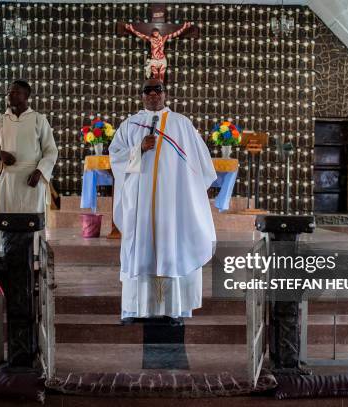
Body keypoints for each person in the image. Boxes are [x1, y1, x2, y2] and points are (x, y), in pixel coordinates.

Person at [109, 79, 217, 324]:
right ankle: (135, 309)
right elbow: (115, 157)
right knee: (140, 249)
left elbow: (202, 167)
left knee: (171, 249)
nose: (153, 94)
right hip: (139, 204)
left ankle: (173, 309)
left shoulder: (182, 124)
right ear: (142, 95)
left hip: (172, 205)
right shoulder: (130, 125)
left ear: (165, 94)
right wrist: (138, 149)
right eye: (148, 90)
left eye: (158, 90)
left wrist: (189, 193)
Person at [0, 79, 58, 251]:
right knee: (7, 218)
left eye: (15, 92)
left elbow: (51, 151)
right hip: (9, 179)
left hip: (32, 179)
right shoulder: (1, 121)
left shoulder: (39, 119)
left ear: (26, 96)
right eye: (9, 92)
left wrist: (40, 171)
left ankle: (34, 259)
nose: (10, 95)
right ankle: (5, 254)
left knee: (31, 219)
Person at [124, 22, 192, 82]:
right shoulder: (151, 39)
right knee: (156, 74)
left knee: (162, 75)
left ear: (158, 32)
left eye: (156, 32)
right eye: (154, 32)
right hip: (154, 60)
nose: (155, 33)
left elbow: (175, 34)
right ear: (153, 33)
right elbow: (140, 35)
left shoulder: (164, 38)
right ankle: (156, 87)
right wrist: (131, 29)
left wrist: (184, 27)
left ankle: (161, 88)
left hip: (162, 60)